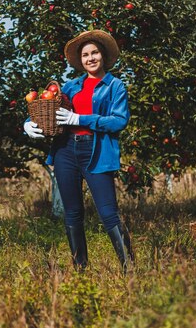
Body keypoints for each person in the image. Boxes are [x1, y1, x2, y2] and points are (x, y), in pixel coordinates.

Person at [23, 29, 134, 273]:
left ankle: (130, 270)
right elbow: (49, 108)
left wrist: (80, 119)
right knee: (72, 212)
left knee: (108, 213)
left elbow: (118, 121)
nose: (90, 58)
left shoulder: (115, 86)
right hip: (66, 152)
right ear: (80, 60)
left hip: (96, 151)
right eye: (85, 55)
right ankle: (81, 270)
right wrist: (28, 125)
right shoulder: (71, 87)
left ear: (103, 55)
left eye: (95, 53)